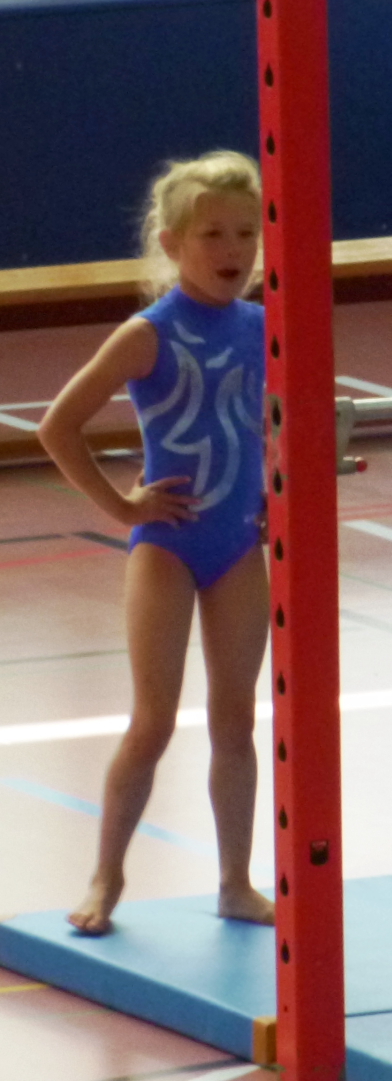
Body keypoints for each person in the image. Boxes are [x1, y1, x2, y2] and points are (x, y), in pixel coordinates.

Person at [38, 152, 275, 936]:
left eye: (245, 232)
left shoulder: (264, 328)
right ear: (172, 244)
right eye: (212, 234)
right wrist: (121, 504)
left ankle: (235, 881)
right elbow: (59, 426)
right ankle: (106, 875)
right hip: (167, 547)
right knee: (154, 720)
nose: (231, 248)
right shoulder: (149, 334)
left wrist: (276, 497)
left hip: (238, 546)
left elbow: (283, 420)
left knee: (236, 720)